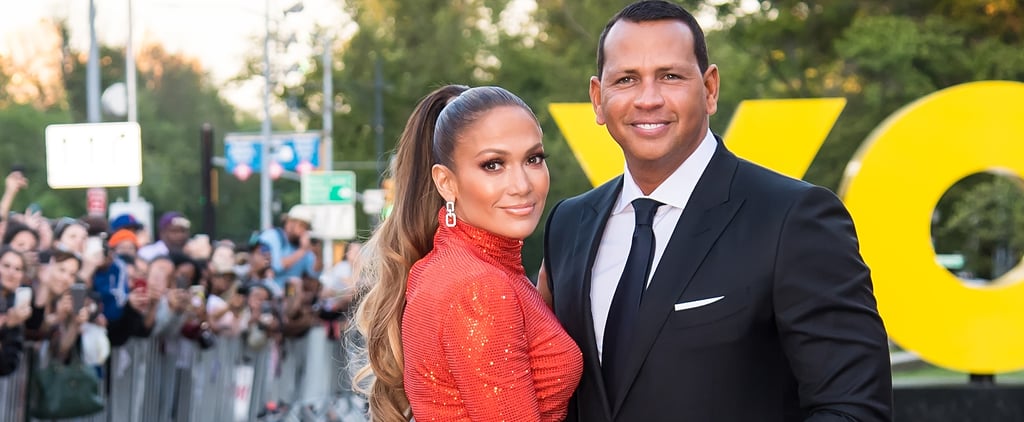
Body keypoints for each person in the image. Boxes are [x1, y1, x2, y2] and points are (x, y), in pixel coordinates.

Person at [539, 2, 893, 421]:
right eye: (627, 79)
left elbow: (854, 410)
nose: (648, 99)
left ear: (709, 89)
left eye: (670, 76)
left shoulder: (793, 219)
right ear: (599, 99)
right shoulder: (568, 224)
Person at [354, 85, 582, 421]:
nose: (522, 184)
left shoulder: (446, 268)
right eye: (493, 165)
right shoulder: (479, 288)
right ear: (446, 182)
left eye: (533, 159)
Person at [258, 206, 319, 290]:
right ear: (289, 222)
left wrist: (318, 254)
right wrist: (302, 251)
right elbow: (276, 266)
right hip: (267, 290)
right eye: (302, 226)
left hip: (290, 293)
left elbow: (314, 273)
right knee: (294, 283)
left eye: (307, 228)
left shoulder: (302, 245)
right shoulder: (271, 236)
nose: (304, 231)